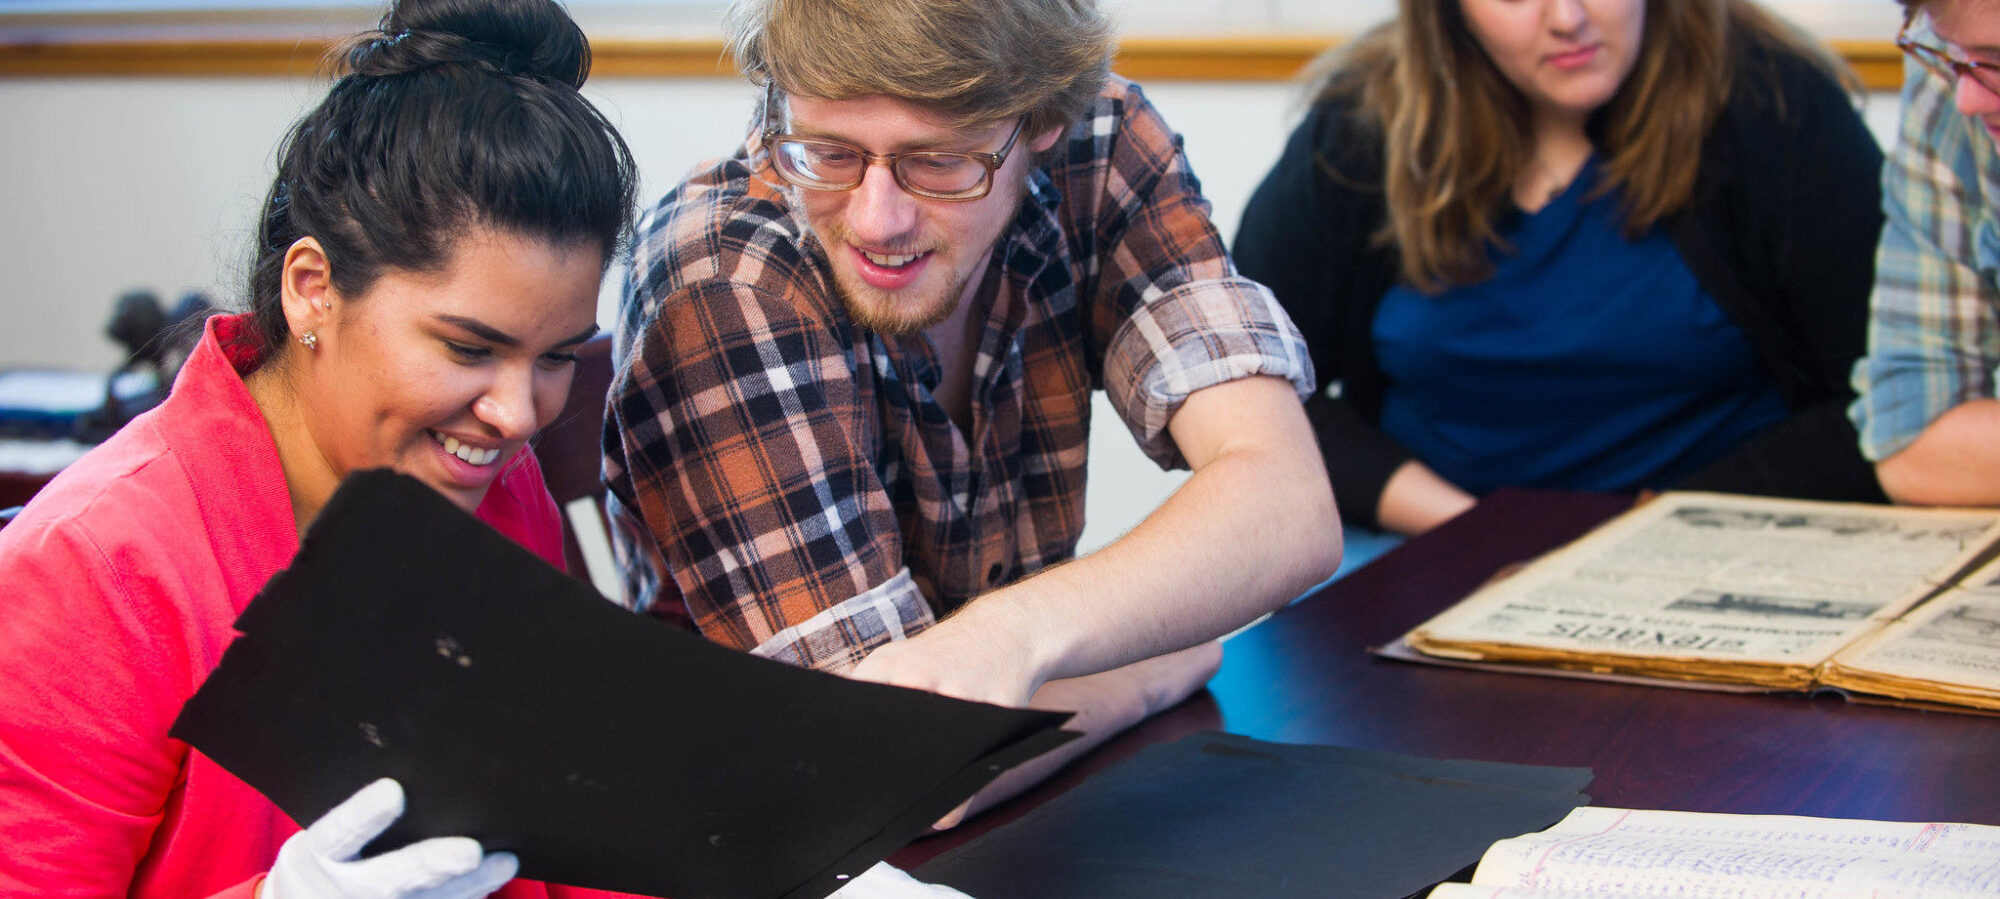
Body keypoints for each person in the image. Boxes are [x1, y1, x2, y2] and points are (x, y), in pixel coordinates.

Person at [604, 0, 1340, 821]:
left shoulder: (1100, 139)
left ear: (1043, 125)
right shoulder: (723, 279)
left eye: (941, 163)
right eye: (831, 152)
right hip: (744, 828)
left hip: (1024, 808)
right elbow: (889, 768)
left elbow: (1290, 507)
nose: (877, 219)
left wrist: (1013, 639)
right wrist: (1148, 667)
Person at [0, 0, 641, 894]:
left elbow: (557, 823)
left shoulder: (493, 478)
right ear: (312, 290)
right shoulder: (92, 568)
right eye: (468, 348)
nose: (519, 414)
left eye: (557, 358)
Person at [1234, 0, 1889, 542]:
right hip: (1433, 543)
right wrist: (1473, 529)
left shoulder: (1774, 99)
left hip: (1722, 536)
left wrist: (1647, 531)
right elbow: (1251, 381)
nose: (1567, 18)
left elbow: (1880, 400)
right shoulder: (1363, 122)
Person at [1851, 0, 2000, 507]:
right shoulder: (1952, 75)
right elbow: (1911, 439)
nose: (1969, 100)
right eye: (1954, 53)